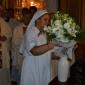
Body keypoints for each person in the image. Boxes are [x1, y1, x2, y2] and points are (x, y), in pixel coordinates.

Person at [19, 10, 55, 85]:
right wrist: (49, 46)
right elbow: (33, 51)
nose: (47, 22)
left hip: (44, 67)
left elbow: (50, 53)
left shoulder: (45, 33)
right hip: (33, 66)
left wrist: (61, 51)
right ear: (37, 19)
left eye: (48, 20)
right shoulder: (30, 32)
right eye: (45, 19)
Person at [11, 7, 31, 85]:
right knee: (20, 74)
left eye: (29, 18)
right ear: (23, 18)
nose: (28, 20)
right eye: (26, 18)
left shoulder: (33, 28)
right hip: (20, 54)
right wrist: (24, 37)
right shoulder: (17, 28)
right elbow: (15, 42)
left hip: (29, 55)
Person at [0, 3, 12, 85]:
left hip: (2, 50)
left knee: (3, 70)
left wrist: (5, 37)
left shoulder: (3, 22)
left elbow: (8, 35)